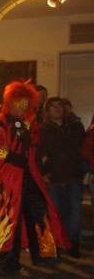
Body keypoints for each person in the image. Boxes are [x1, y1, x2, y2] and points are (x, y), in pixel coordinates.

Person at [0, 81, 67, 271]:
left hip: (28, 174)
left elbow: (32, 144)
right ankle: (9, 260)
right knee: (10, 218)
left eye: (26, 103)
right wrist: (13, 157)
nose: (22, 107)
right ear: (11, 102)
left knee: (38, 212)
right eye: (19, 103)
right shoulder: (0, 123)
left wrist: (35, 157)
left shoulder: (27, 122)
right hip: (9, 177)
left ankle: (42, 253)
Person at [39, 96, 86, 257]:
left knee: (75, 211)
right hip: (54, 177)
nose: (57, 108)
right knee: (55, 212)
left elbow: (81, 149)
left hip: (73, 175)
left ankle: (73, 244)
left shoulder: (75, 126)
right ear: (47, 111)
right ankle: (57, 244)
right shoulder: (43, 130)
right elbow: (40, 153)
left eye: (59, 105)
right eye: (52, 106)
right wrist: (44, 172)